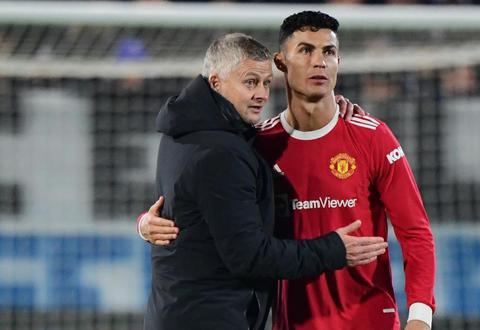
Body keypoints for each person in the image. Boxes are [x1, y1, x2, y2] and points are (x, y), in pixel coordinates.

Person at [141, 12, 436, 330]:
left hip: (368, 320)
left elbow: (415, 232)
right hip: (292, 322)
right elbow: (203, 197)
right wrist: (146, 222)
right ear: (281, 63)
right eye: (307, 50)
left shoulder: (372, 136)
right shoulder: (258, 146)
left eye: (329, 52)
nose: (320, 62)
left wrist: (420, 316)